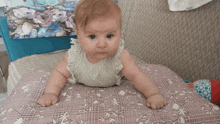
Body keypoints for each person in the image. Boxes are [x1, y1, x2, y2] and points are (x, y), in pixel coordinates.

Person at [38, 0, 167, 110]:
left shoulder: (121, 56)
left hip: (113, 87)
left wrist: (153, 94)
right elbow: (59, 74)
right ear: (78, 33)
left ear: (119, 32)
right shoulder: (74, 55)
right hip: (82, 85)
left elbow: (136, 75)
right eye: (92, 36)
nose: (102, 44)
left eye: (109, 36)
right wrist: (50, 93)